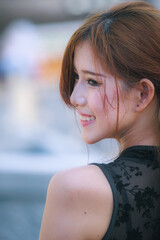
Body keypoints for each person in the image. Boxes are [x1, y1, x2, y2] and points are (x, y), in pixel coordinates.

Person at [39, 1, 160, 239]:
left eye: (93, 81)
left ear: (143, 94)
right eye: (76, 77)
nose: (74, 97)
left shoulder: (75, 190)